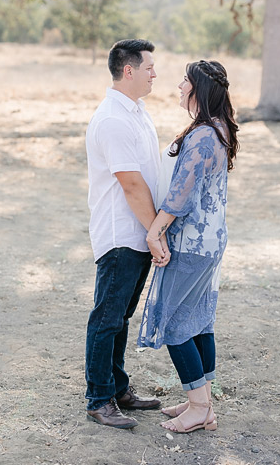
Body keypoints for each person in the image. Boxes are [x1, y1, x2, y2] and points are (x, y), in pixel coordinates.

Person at [136, 60, 239, 434]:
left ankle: (199, 407)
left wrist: (154, 231)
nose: (179, 86)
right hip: (210, 240)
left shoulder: (202, 137)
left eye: (185, 81)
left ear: (198, 89)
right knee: (198, 322)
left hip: (192, 243)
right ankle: (202, 400)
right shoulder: (219, 129)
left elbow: (179, 197)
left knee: (176, 323)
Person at [83, 38, 164, 429]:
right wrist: (156, 232)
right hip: (121, 236)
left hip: (139, 233)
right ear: (128, 70)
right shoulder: (112, 119)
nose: (155, 73)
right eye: (149, 66)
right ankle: (99, 399)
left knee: (121, 317)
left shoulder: (138, 111)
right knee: (107, 318)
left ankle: (118, 388)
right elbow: (131, 184)